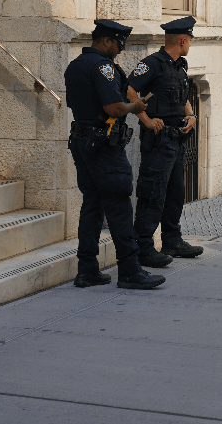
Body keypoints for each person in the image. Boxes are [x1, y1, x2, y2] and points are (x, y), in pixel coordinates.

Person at [64, 20, 166, 290]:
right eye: (118, 44)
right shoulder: (102, 66)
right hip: (104, 147)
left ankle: (87, 270)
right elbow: (112, 108)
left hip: (83, 143)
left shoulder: (75, 65)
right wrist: (135, 106)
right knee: (119, 206)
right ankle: (131, 270)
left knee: (92, 205)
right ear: (106, 41)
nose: (119, 50)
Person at [128, 16, 204, 268]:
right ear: (183, 40)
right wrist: (146, 119)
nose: (190, 44)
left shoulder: (179, 66)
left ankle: (172, 240)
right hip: (159, 141)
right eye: (189, 40)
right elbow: (128, 89)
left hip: (177, 139)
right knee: (152, 193)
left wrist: (190, 115)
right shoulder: (152, 64)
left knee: (174, 192)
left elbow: (182, 95)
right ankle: (143, 247)